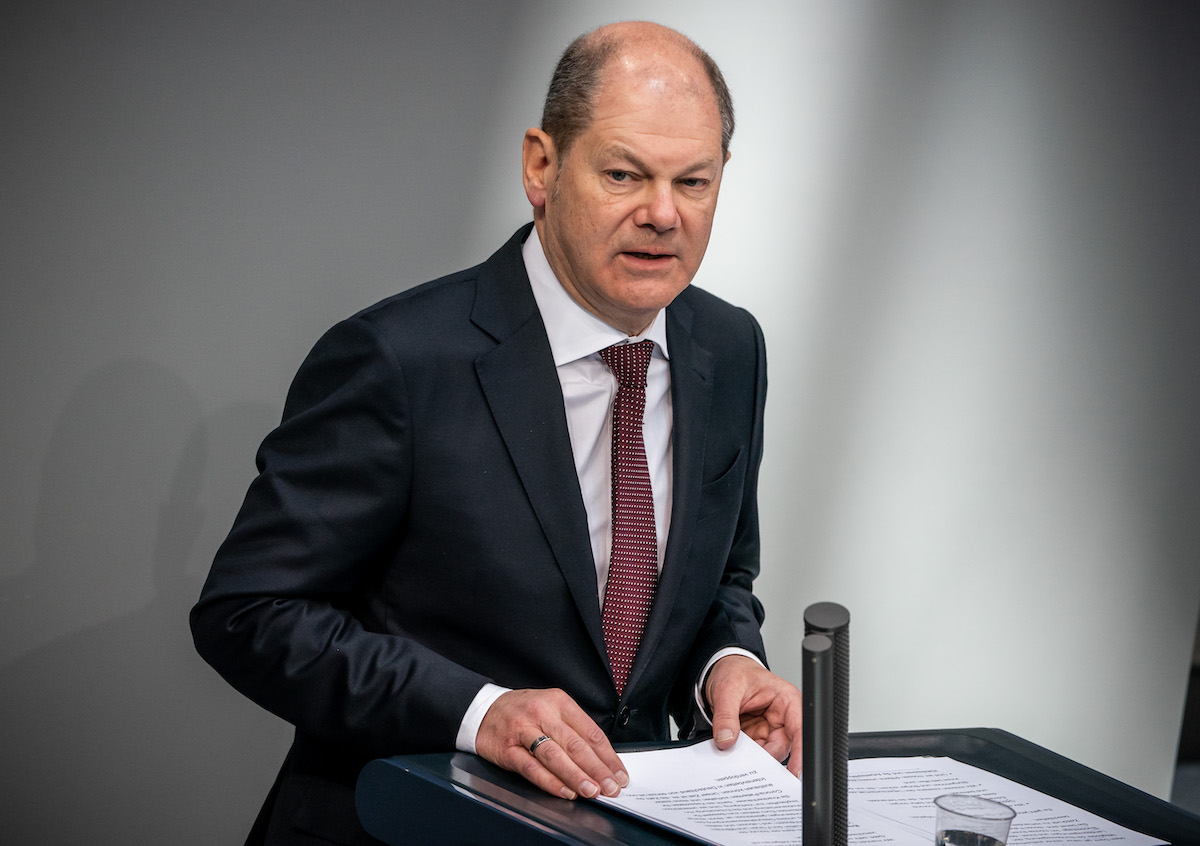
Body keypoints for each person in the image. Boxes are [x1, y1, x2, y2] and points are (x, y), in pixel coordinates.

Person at [191, 20, 803, 845]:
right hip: (399, 822)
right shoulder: (397, 359)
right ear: (541, 167)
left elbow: (723, 576)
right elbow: (250, 611)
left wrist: (728, 667)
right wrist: (478, 714)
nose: (663, 214)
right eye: (625, 174)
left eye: (692, 183)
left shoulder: (731, 349)